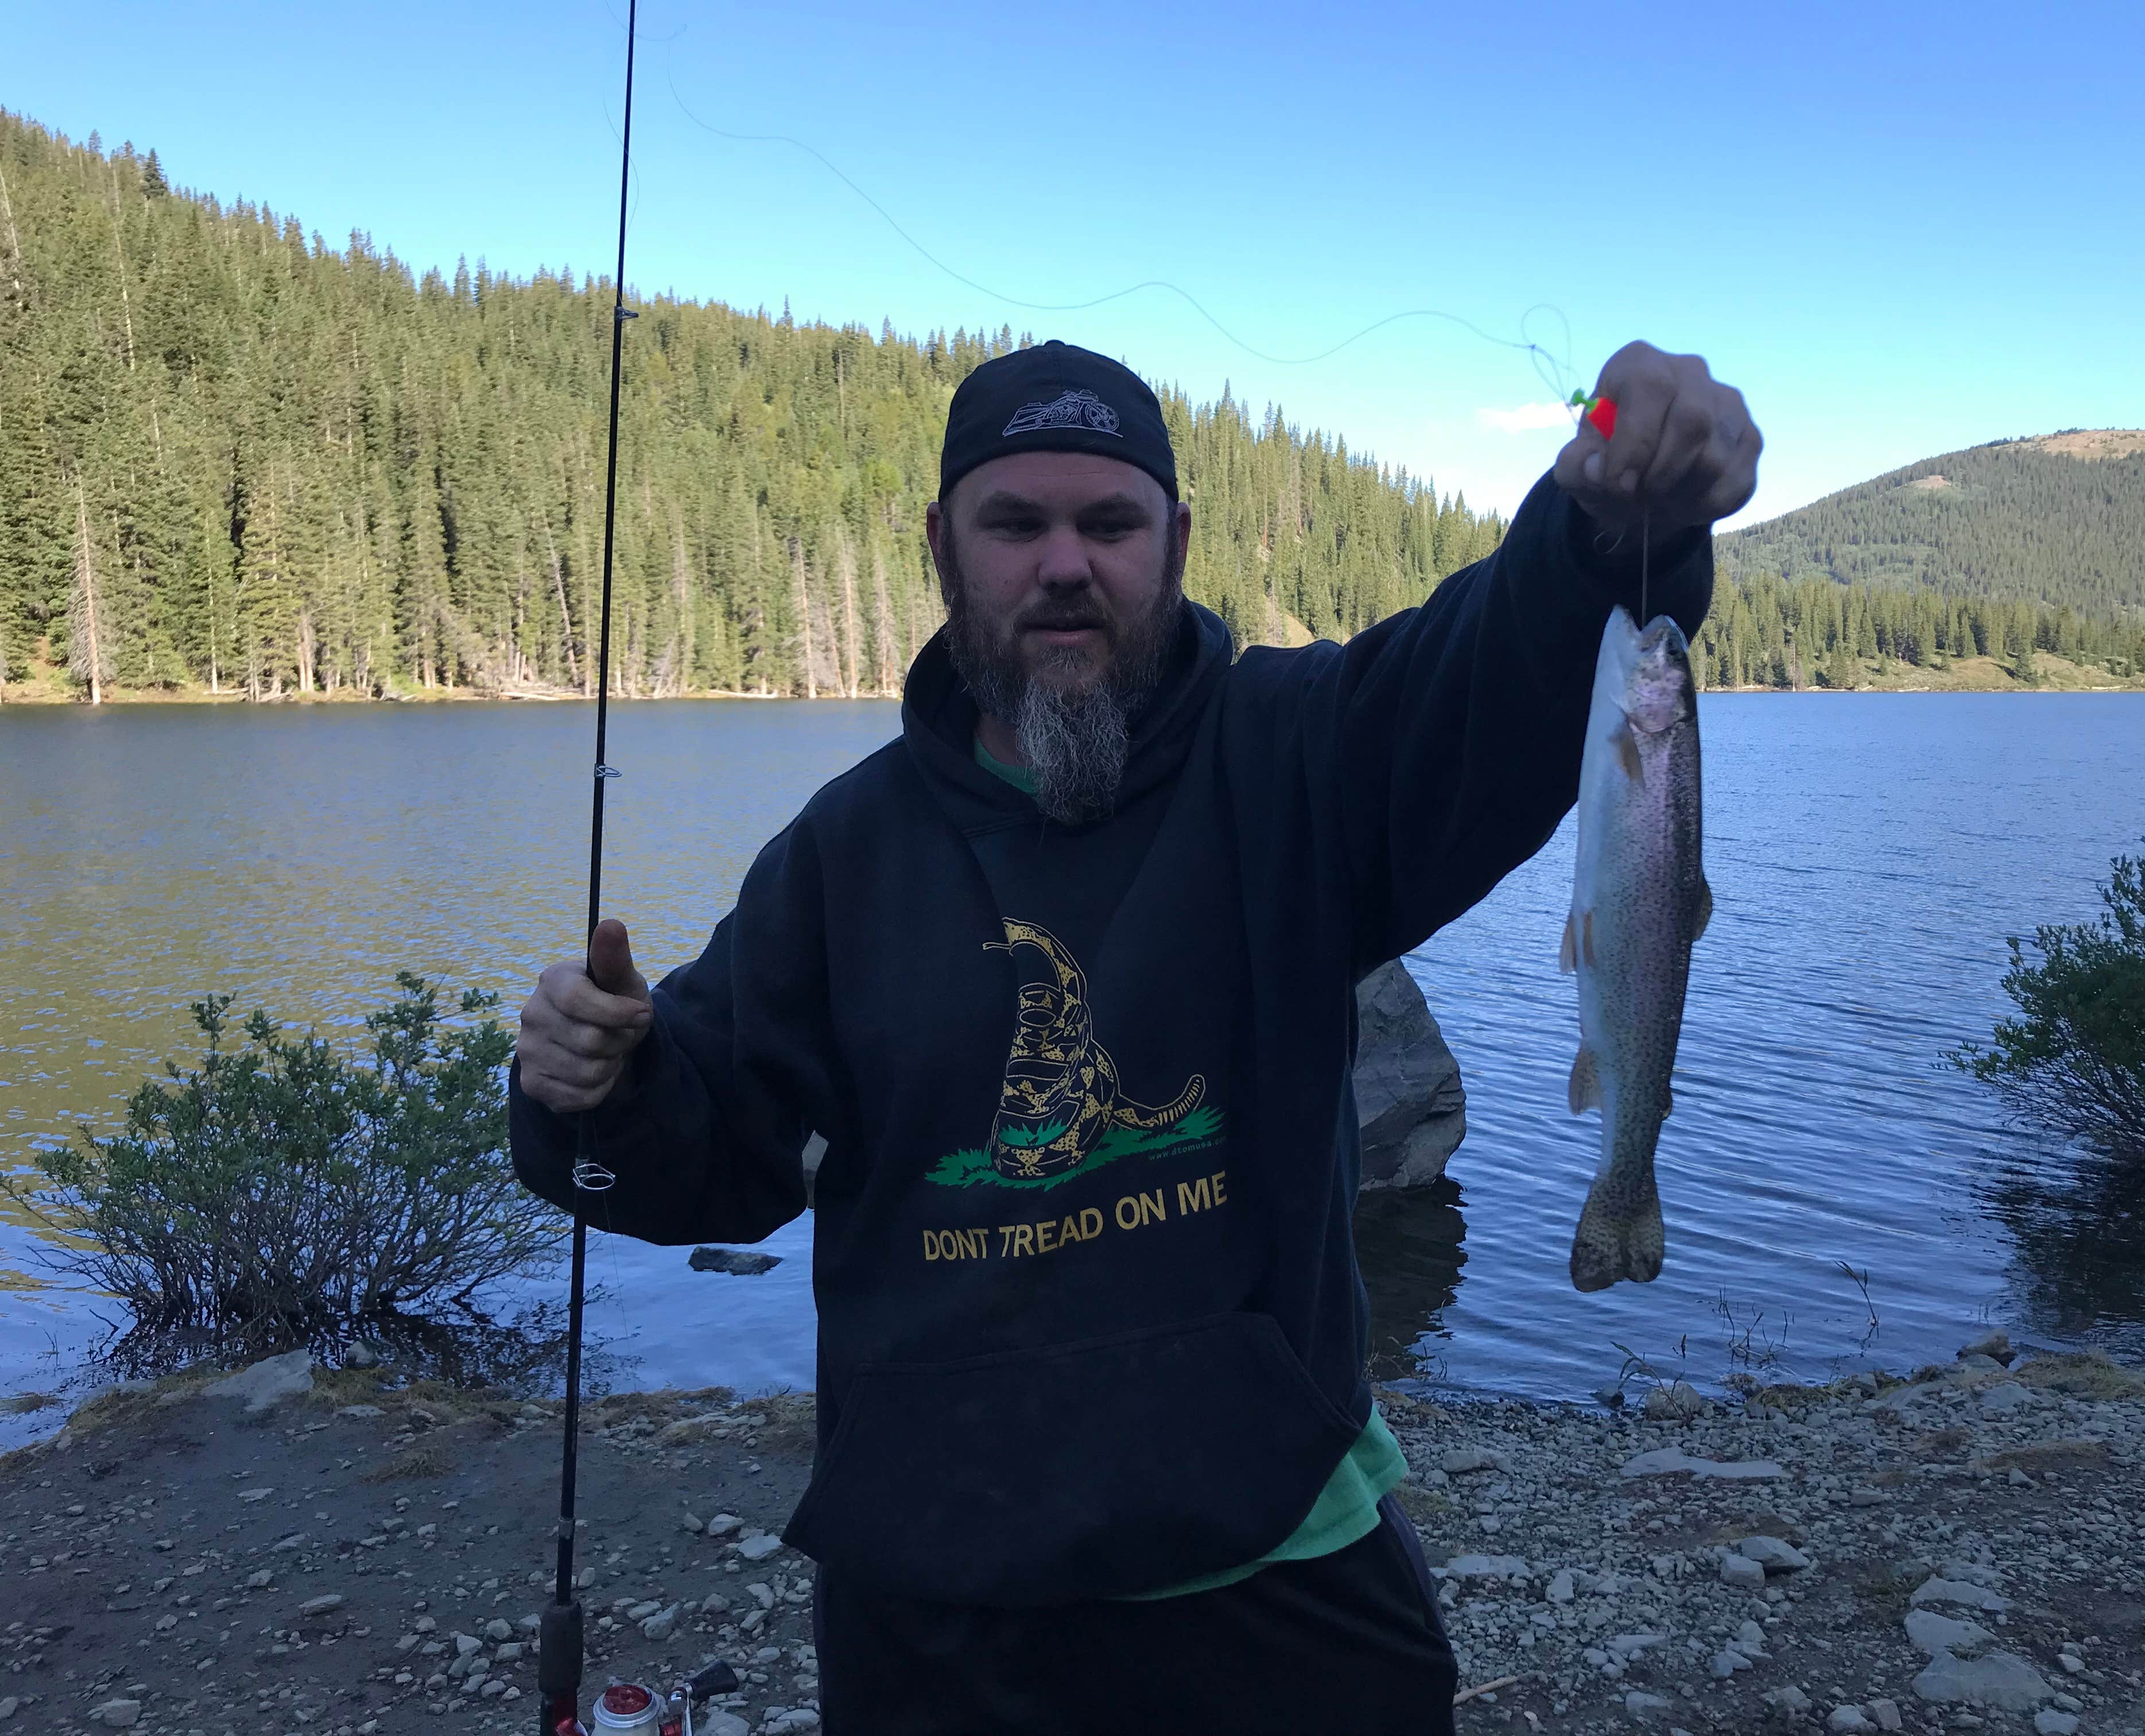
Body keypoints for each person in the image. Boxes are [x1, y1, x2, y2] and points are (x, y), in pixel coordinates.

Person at [510, 336, 1760, 1734]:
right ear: (941, 545)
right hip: (940, 1605)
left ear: (1176, 542)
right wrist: (597, 1088)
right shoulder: (837, 858)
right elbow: (706, 1154)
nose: (1065, 564)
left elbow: (1491, 673)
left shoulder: (1302, 754)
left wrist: (1607, 522)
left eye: (1109, 523)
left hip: (1282, 1563)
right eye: (1016, 523)